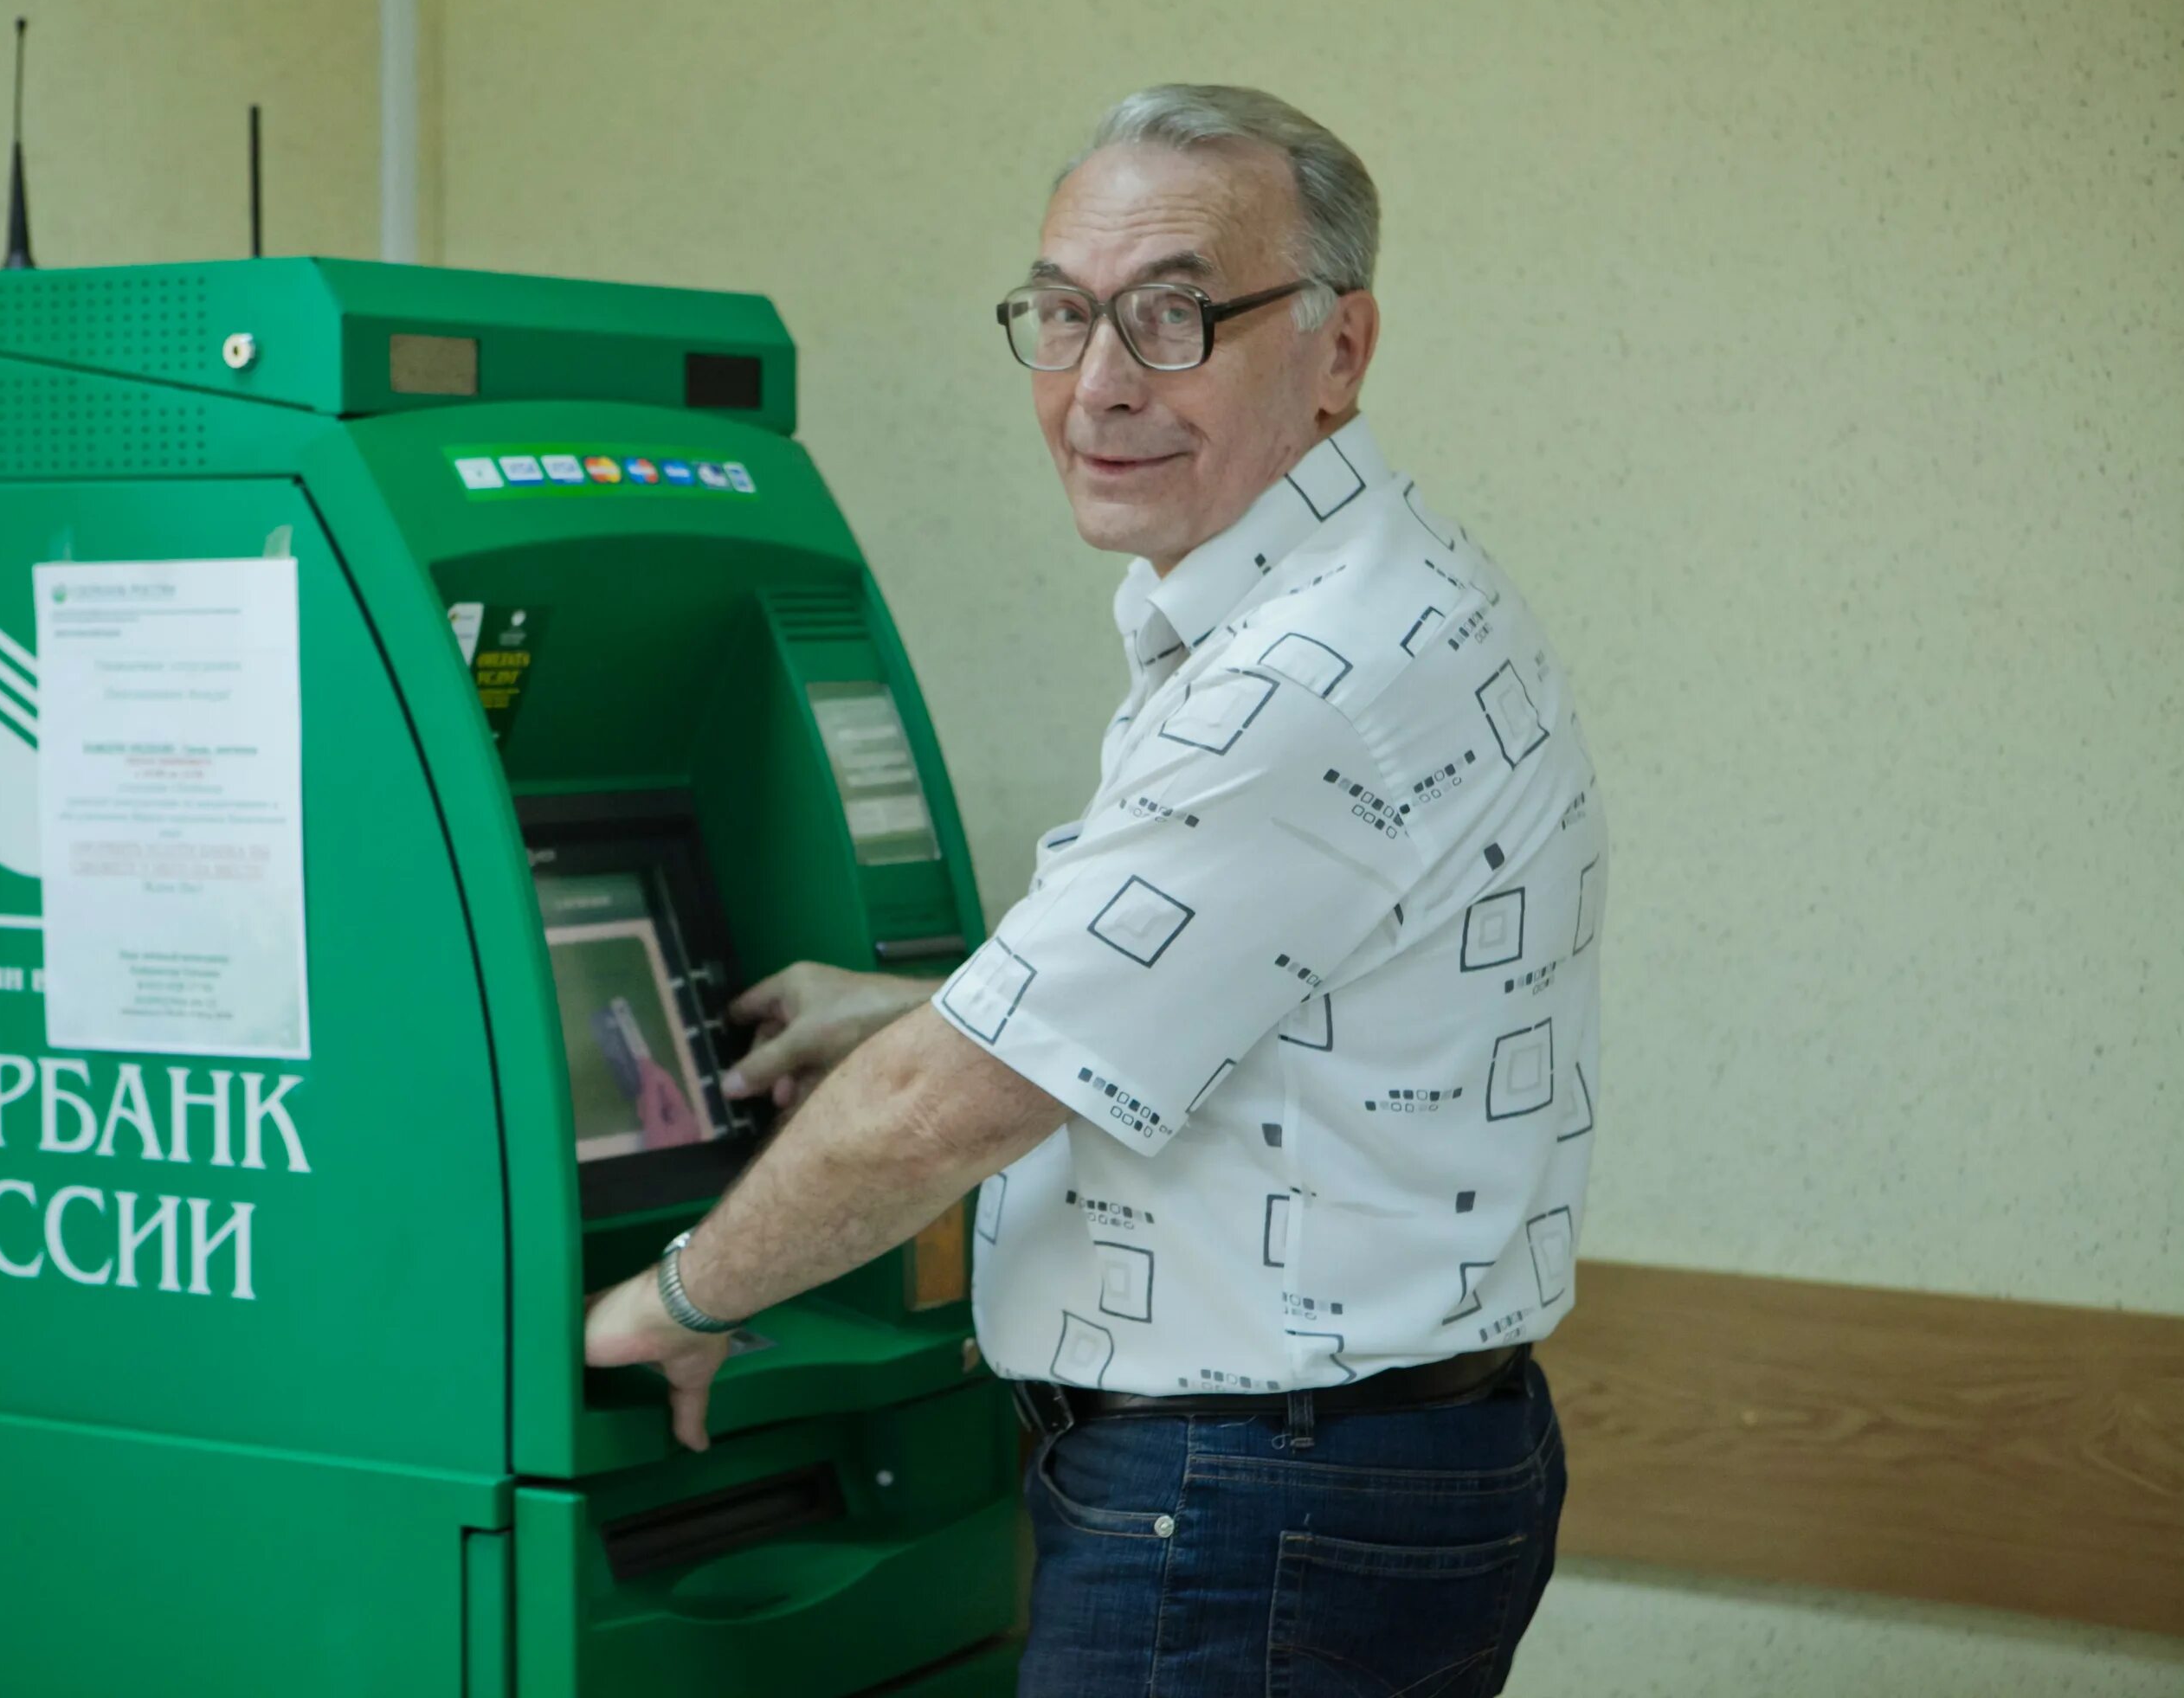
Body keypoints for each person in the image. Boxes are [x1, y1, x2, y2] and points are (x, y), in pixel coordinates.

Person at [584, 82, 1606, 1696]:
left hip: (1249, 1507)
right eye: (1062, 316)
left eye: (1177, 315)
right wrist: (922, 1004)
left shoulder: (1303, 679)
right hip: (1355, 1471)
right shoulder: (1372, 585)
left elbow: (946, 1111)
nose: (1098, 386)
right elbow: (1253, 988)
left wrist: (680, 1292)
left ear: (1340, 350)